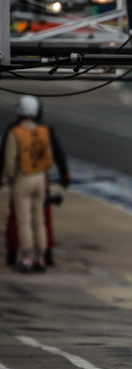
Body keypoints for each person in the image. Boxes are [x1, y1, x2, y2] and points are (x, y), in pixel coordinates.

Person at [2, 99, 71, 267]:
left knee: (22, 220)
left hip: (23, 178)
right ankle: (42, 256)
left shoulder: (15, 132)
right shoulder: (44, 130)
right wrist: (51, 176)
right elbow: (51, 156)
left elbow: (9, 162)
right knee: (40, 220)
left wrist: (5, 179)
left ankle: (25, 257)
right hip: (41, 179)